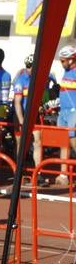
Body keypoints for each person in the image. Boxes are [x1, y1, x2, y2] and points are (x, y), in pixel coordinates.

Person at [12, 54, 44, 179]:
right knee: (21, 144)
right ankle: (19, 170)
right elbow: (17, 103)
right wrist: (21, 121)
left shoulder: (37, 78)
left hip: (33, 115)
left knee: (38, 141)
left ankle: (38, 172)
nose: (33, 69)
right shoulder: (20, 80)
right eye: (31, 67)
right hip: (21, 114)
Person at [55, 45, 76, 186]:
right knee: (63, 142)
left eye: (63, 61)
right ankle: (63, 174)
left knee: (74, 141)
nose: (62, 63)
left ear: (71, 59)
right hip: (63, 111)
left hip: (74, 111)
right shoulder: (65, 72)